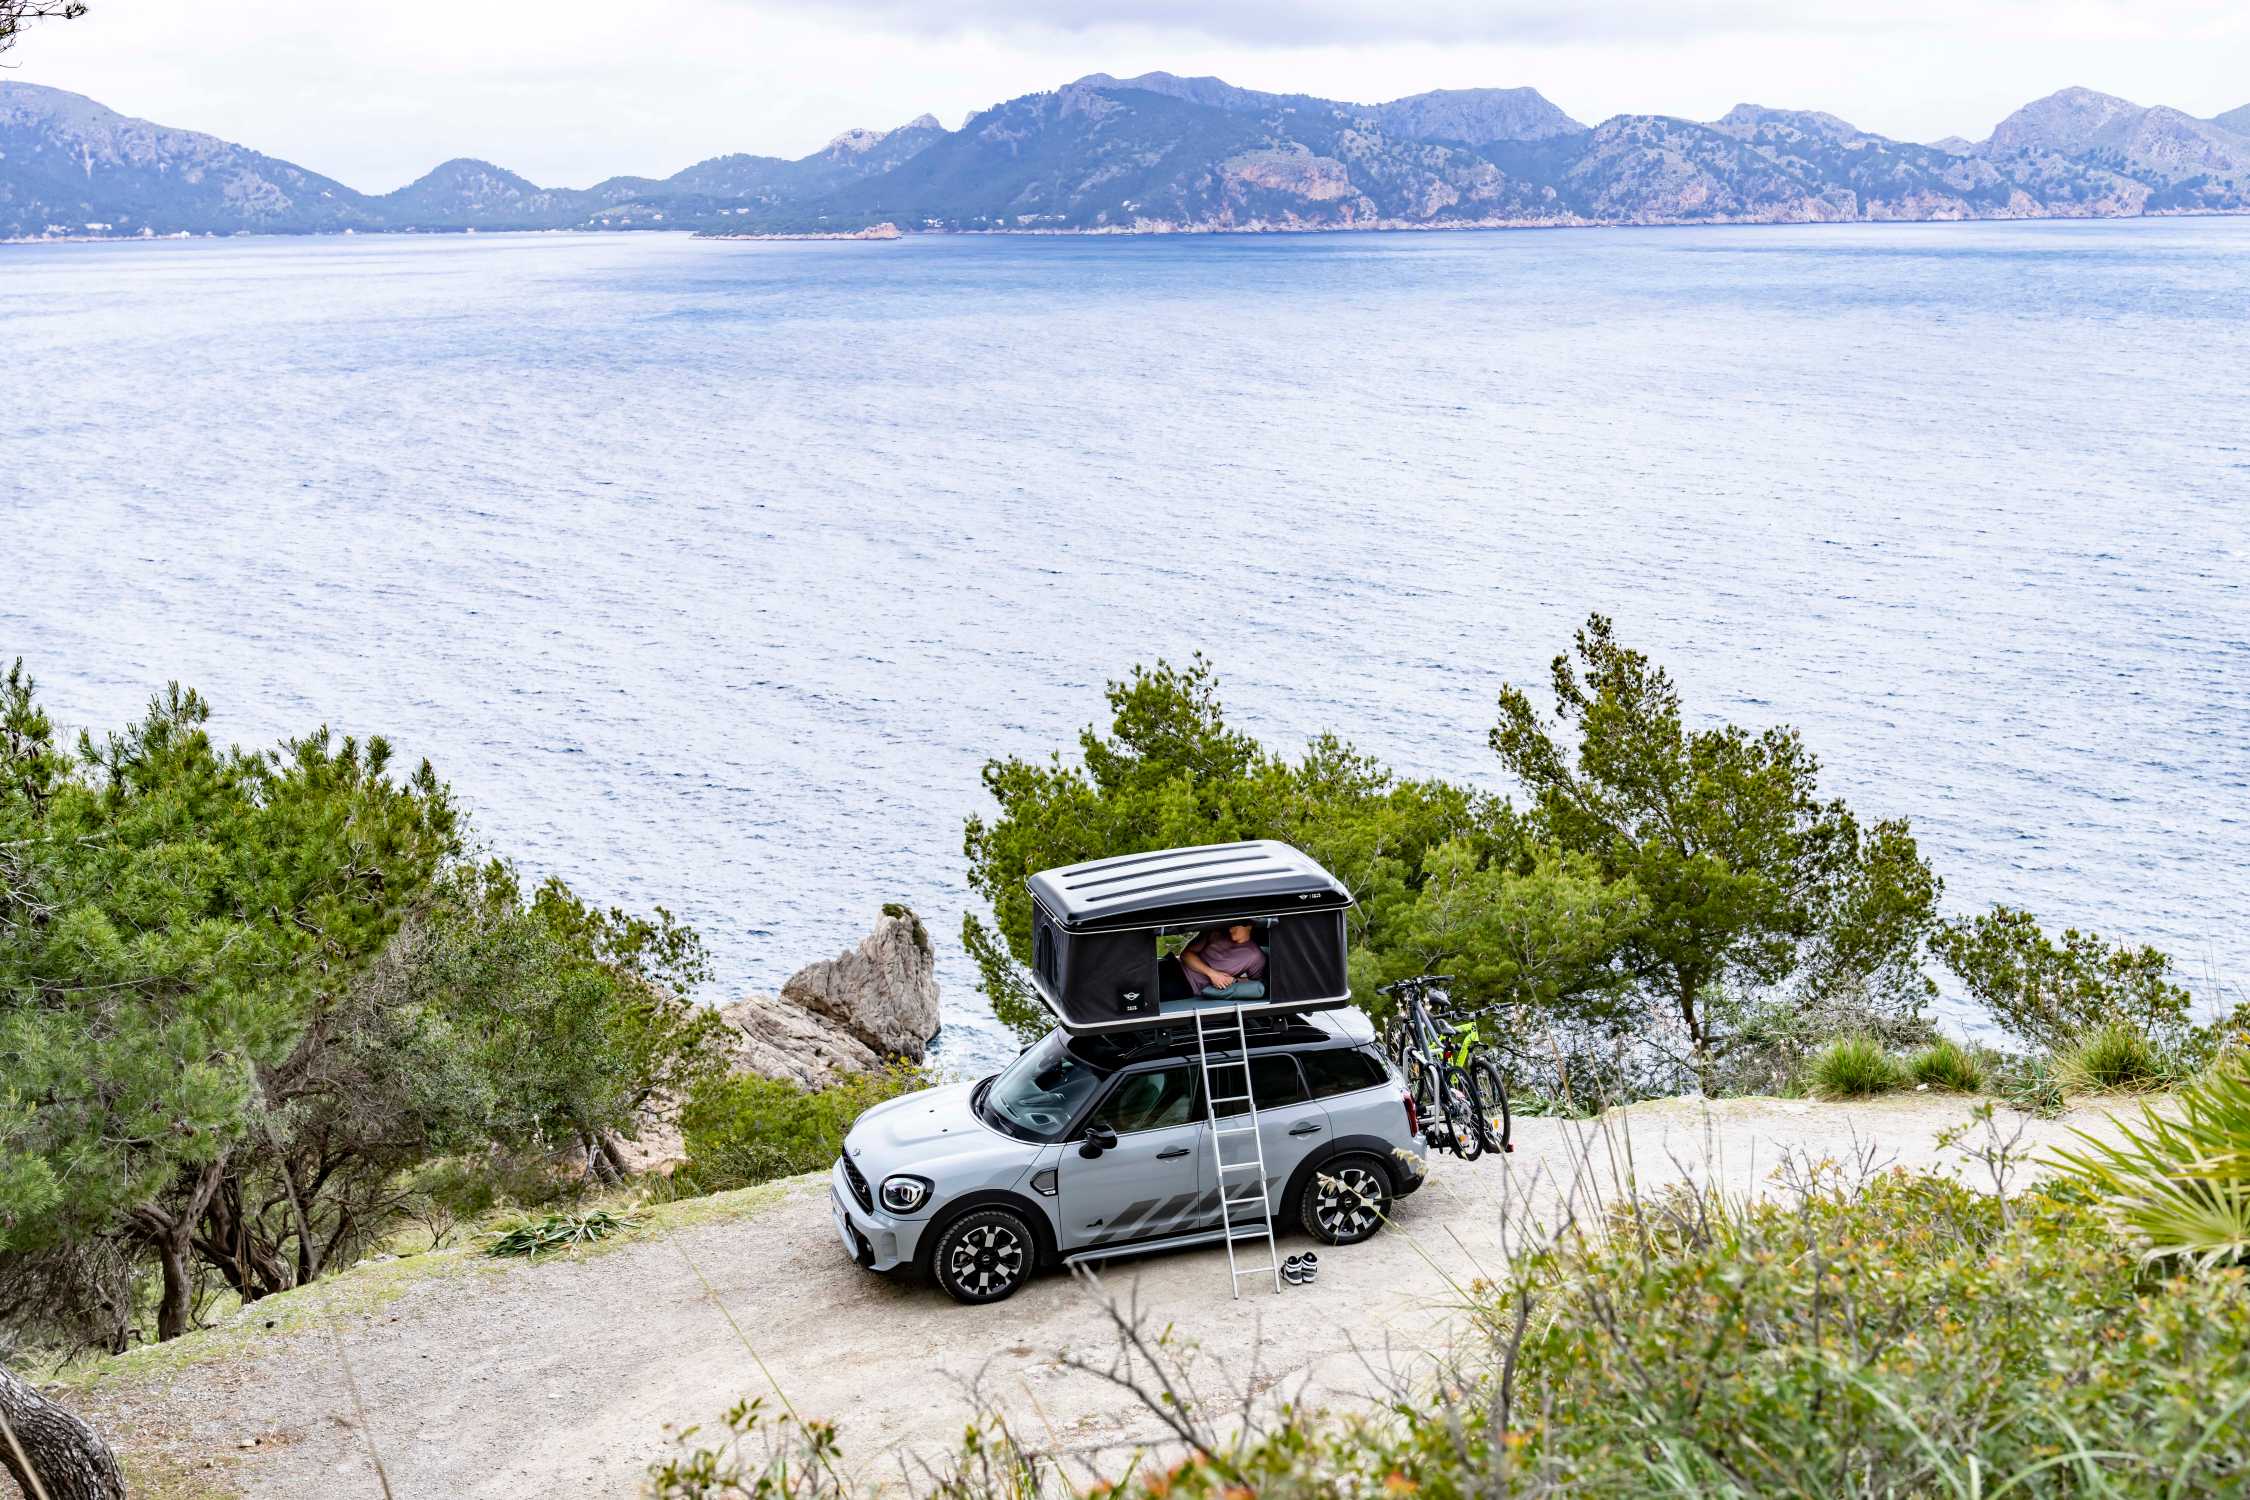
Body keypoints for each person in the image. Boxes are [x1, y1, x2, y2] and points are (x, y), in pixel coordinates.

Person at [1180, 922, 1266, 997]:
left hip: (1189, 986)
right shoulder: (1215, 932)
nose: (1230, 928)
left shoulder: (1255, 956)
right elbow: (1185, 955)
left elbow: (1256, 984)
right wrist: (1213, 974)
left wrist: (1234, 980)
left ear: (1249, 926)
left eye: (1235, 924)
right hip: (1178, 967)